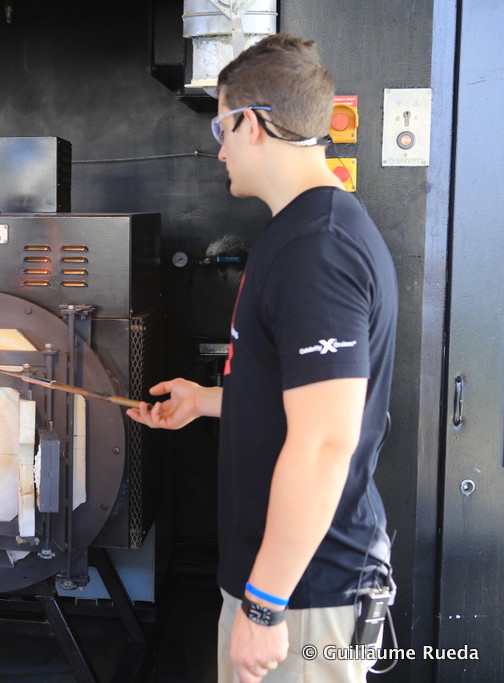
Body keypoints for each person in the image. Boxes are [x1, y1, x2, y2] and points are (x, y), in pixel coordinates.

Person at [128, 34, 397, 682]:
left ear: (253, 122)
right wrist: (208, 399)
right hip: (287, 587)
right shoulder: (298, 232)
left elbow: (328, 439)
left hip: (305, 594)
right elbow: (297, 390)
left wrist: (267, 602)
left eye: (222, 125)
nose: (218, 147)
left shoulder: (319, 248)